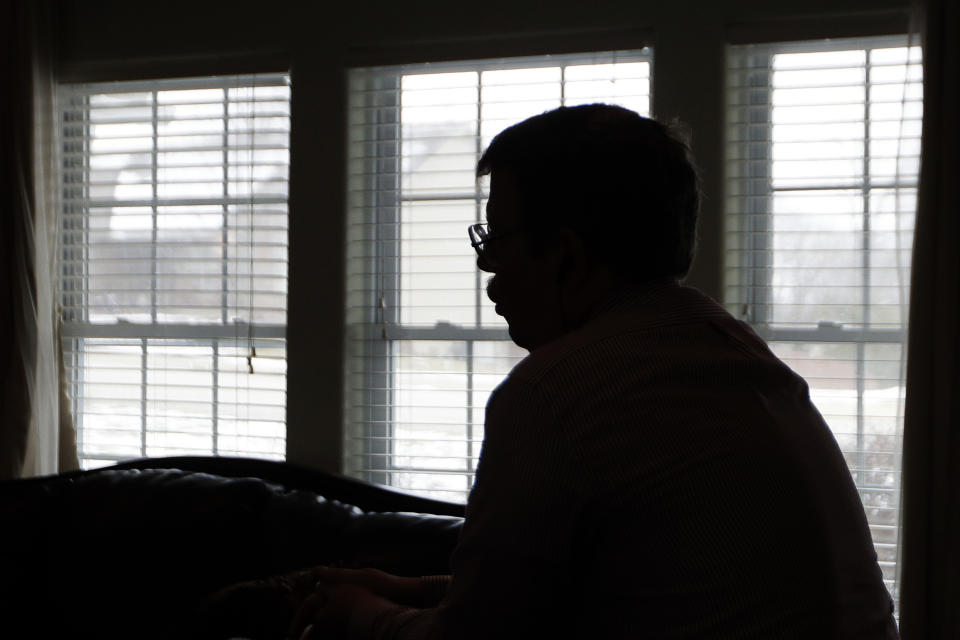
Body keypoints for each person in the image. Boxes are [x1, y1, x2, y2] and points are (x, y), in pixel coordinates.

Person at [291, 104, 898, 639]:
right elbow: (625, 592)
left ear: (566, 256)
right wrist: (423, 592)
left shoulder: (556, 393)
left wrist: (361, 614)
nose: (488, 272)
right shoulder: (735, 352)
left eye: (498, 241)